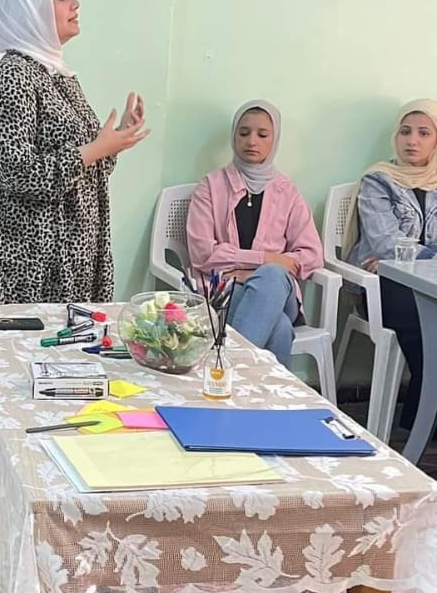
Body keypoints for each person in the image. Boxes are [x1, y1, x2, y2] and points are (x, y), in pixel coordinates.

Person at [0, 0, 148, 304]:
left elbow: (85, 167)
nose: (75, 3)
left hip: (73, 258)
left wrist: (114, 140)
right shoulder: (11, 78)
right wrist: (96, 149)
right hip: (27, 264)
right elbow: (18, 173)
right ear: (30, 11)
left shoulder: (59, 76)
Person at [186, 100, 323, 367]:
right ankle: (257, 392)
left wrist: (257, 271)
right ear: (234, 136)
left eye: (262, 135)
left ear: (275, 140)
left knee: (272, 276)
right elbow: (202, 253)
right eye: (244, 132)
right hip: (225, 291)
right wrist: (265, 258)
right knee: (280, 328)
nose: (251, 141)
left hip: (278, 293)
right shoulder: (210, 187)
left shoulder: (287, 191)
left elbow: (312, 255)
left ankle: (228, 370)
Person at [344, 101, 437, 435]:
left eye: (424, 133)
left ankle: (420, 417)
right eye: (405, 132)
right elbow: (386, 243)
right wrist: (417, 257)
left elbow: (399, 251)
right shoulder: (378, 180)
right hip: (384, 284)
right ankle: (423, 419)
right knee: (424, 322)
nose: (412, 140)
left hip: (429, 284)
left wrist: (412, 256)